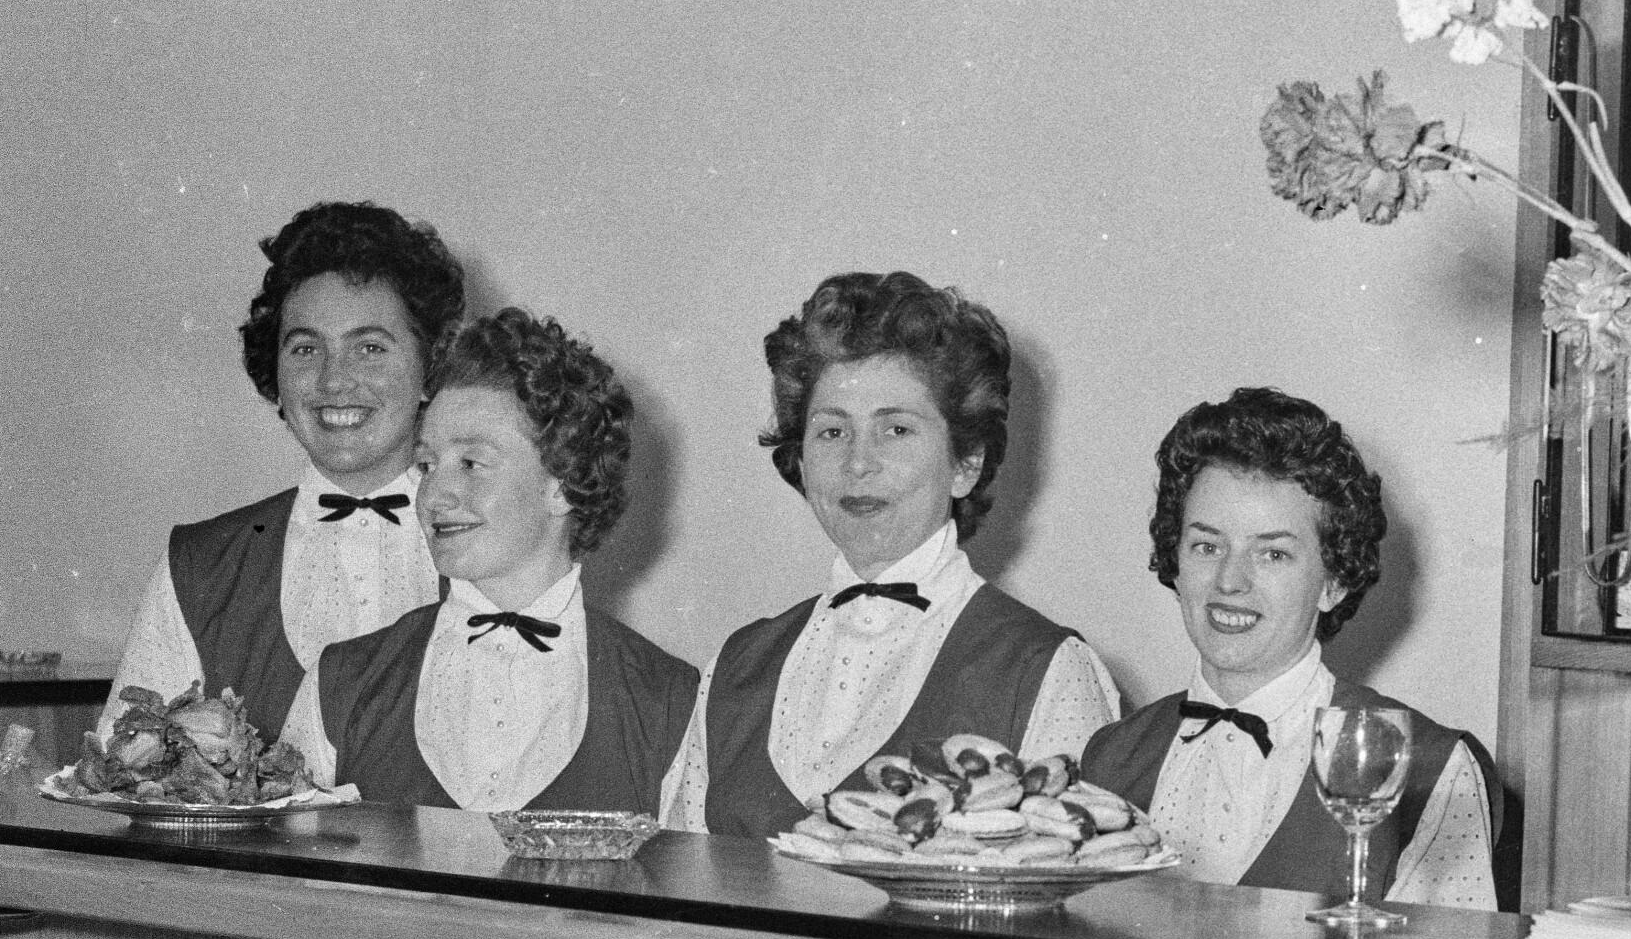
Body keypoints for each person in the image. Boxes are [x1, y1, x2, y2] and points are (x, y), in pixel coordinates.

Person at [663, 271, 1117, 835]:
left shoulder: (1045, 669)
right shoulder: (736, 668)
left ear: (966, 463)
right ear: (800, 459)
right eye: (832, 432)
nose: (858, 463)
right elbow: (681, 873)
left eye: (896, 430)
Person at [1081, 388, 1500, 907]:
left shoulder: (1430, 770)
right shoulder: (1109, 757)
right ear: (1176, 561)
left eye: (1273, 554)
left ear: (1334, 583)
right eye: (1207, 546)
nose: (1230, 581)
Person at [290, 310, 697, 811]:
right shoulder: (341, 683)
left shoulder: (669, 702)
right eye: (426, 465)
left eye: (471, 463)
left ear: (563, 485)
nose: (434, 494)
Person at [103, 201, 468, 744]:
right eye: (305, 348)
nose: (334, 380)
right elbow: (123, 764)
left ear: (429, 368)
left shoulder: (496, 545)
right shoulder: (201, 566)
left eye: (370, 348)